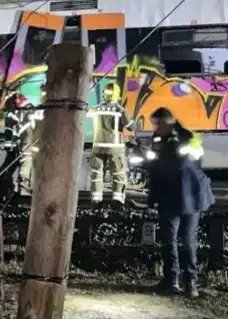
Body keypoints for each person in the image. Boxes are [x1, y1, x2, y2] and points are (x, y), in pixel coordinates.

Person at [147, 107, 214, 298]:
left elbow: (185, 163)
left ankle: (189, 284)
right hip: (174, 196)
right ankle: (172, 281)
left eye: (158, 124)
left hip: (188, 196)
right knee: (170, 240)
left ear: (168, 122)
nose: (156, 128)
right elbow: (155, 168)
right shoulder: (159, 139)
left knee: (186, 240)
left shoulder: (188, 137)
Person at [88, 82, 135, 204]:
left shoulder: (96, 108)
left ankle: (96, 199)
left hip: (98, 147)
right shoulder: (120, 110)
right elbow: (131, 126)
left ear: (104, 94)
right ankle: (117, 200)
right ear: (117, 95)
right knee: (118, 172)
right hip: (115, 148)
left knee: (97, 173)